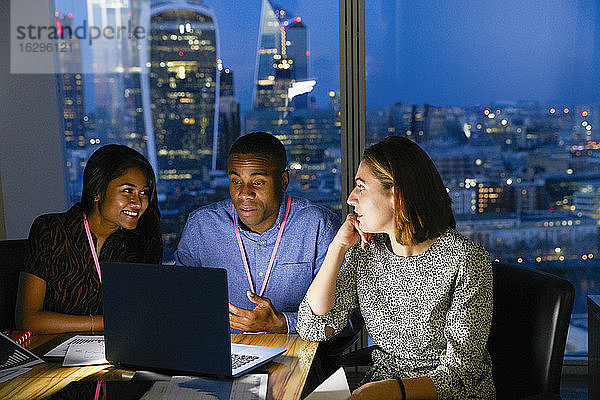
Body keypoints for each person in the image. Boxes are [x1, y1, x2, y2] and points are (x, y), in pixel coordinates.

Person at [297, 136, 495, 399]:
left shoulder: (466, 259)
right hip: (382, 388)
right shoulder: (366, 252)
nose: (350, 199)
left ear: (396, 194)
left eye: (361, 187)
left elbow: (462, 374)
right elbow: (313, 326)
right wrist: (337, 249)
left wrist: (392, 391)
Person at [175, 132, 340, 334]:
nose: (244, 193)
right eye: (236, 182)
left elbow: (343, 321)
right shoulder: (202, 225)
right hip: (223, 358)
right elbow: (180, 306)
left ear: (284, 181)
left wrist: (281, 323)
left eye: (258, 182)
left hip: (296, 359)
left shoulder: (318, 226)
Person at [16, 144, 162, 334]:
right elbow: (28, 320)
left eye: (144, 193)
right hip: (50, 354)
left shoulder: (140, 242)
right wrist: (101, 323)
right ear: (97, 192)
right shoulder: (51, 230)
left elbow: (144, 317)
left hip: (115, 354)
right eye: (127, 190)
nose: (138, 202)